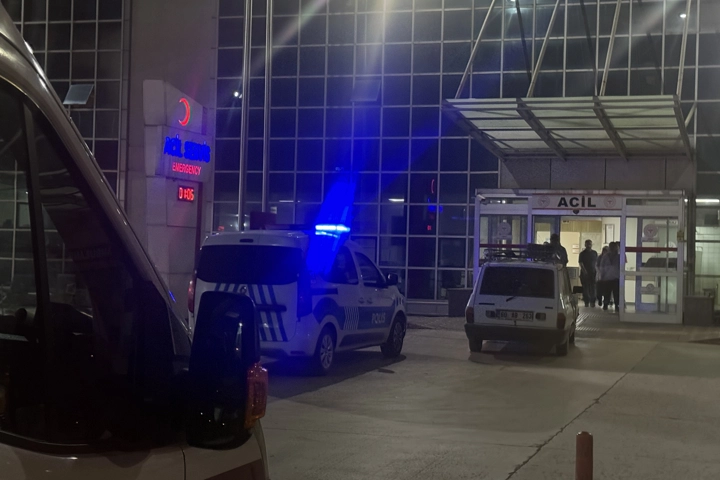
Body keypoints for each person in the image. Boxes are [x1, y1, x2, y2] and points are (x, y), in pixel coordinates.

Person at [600, 242, 621, 313]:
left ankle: (617, 305)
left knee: (616, 293)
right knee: (607, 292)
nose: (613, 248)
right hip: (607, 277)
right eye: (611, 247)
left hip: (616, 277)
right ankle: (605, 304)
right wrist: (602, 276)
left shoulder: (619, 257)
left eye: (614, 247)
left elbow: (622, 266)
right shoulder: (605, 256)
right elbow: (602, 266)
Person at [578, 239, 598, 307]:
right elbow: (581, 263)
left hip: (593, 273)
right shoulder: (582, 254)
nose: (589, 245)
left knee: (593, 287)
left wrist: (596, 271)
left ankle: (593, 301)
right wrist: (584, 271)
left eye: (590, 244)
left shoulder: (594, 253)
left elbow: (596, 263)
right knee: (585, 287)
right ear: (585, 245)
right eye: (587, 244)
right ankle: (586, 301)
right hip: (585, 273)